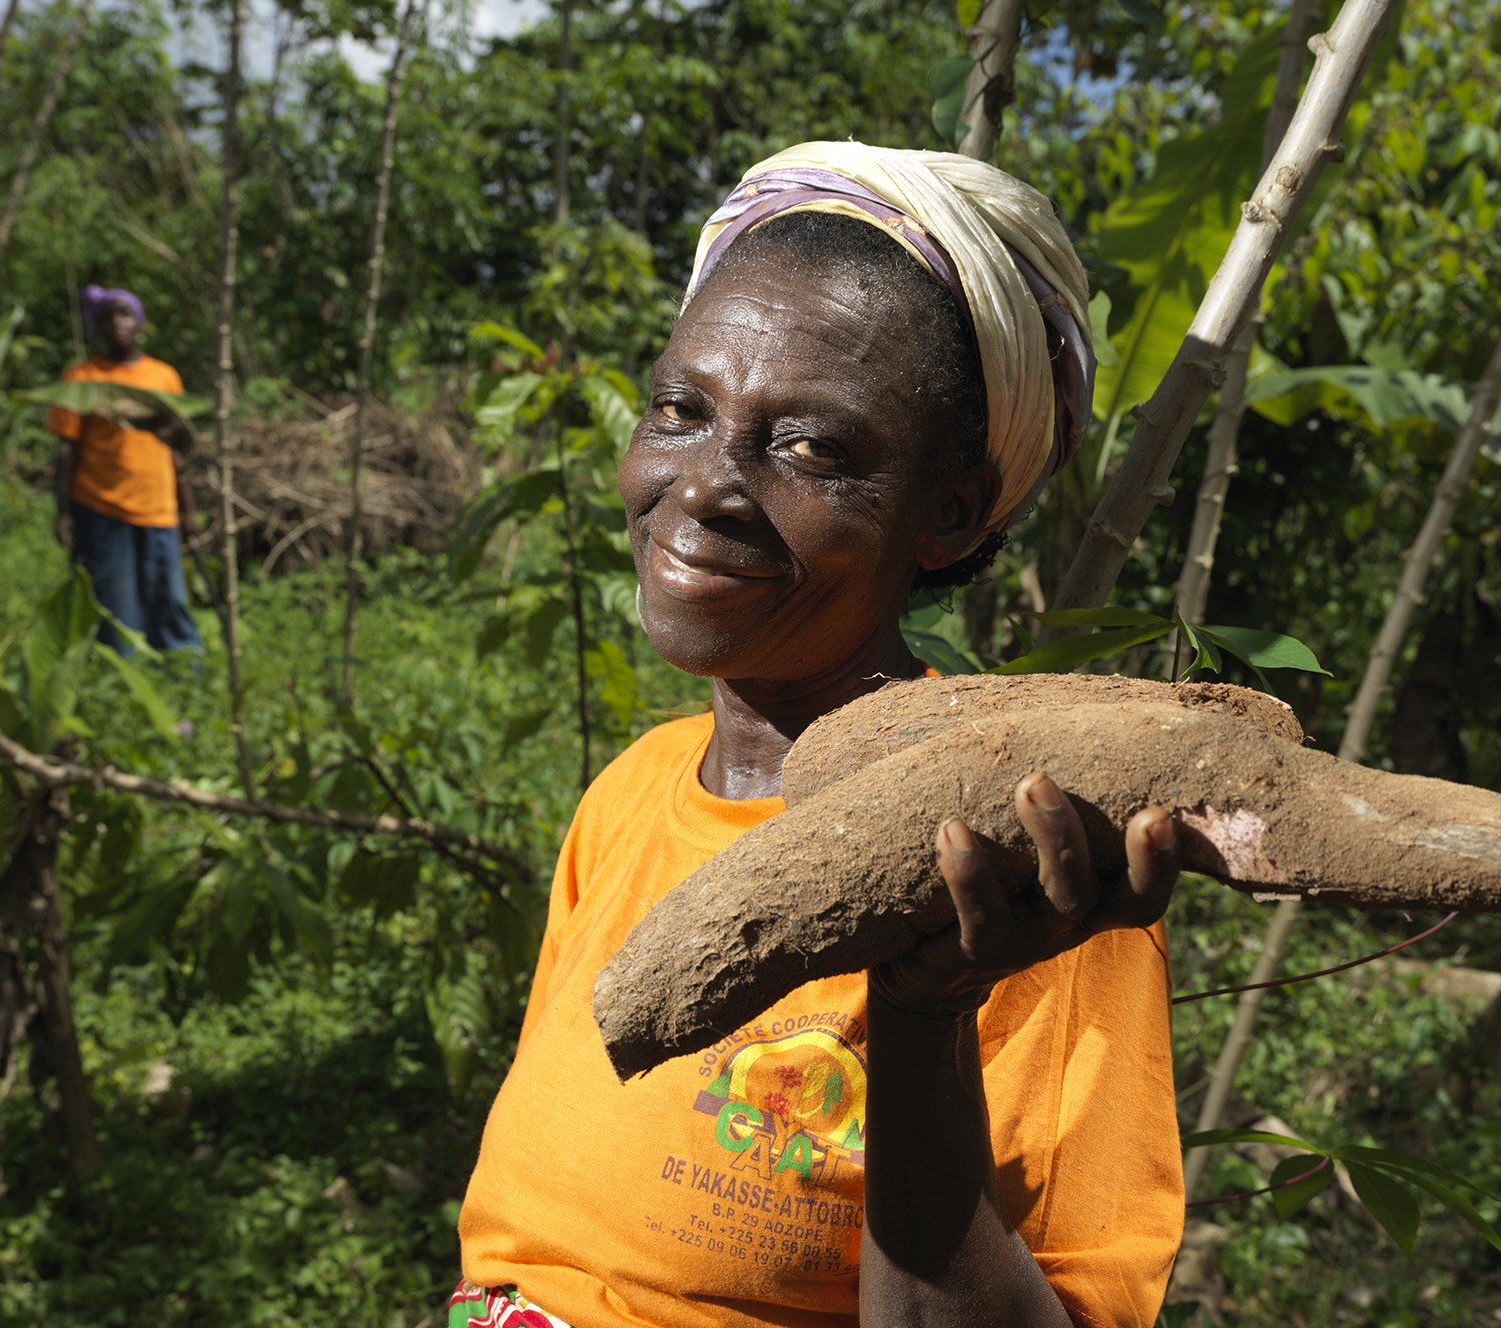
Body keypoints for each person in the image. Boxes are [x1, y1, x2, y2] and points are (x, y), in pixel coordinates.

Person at [453, 142, 1186, 1328]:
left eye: (810, 447)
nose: (704, 486)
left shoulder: (1023, 865)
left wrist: (922, 1016)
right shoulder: (629, 793)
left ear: (949, 511)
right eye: (680, 409)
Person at [45, 285, 202, 653]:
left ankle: (184, 668)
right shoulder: (82, 378)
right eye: (107, 316)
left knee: (170, 599)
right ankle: (118, 672)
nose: (117, 322)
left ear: (140, 323)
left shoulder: (163, 377)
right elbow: (66, 450)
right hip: (102, 508)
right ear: (97, 326)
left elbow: (175, 448)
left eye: (125, 314)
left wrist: (188, 508)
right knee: (116, 604)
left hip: (159, 509)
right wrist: (63, 513)